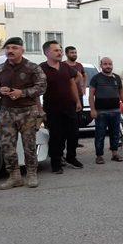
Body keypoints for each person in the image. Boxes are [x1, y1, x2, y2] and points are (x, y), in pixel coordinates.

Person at [0, 37, 47, 189]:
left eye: (14, 48)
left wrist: (22, 93)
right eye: (7, 48)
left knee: (29, 144)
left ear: (22, 50)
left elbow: (41, 87)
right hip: (7, 112)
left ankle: (31, 173)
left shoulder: (32, 68)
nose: (10, 51)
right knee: (7, 145)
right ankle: (14, 176)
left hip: (28, 111)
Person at [40, 40, 83, 174]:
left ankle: (71, 157)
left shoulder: (65, 67)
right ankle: (56, 162)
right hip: (52, 109)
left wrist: (77, 101)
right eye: (56, 50)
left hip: (69, 107)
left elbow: (72, 83)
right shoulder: (40, 68)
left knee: (73, 135)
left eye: (60, 50)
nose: (59, 52)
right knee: (56, 137)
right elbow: (35, 90)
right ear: (47, 53)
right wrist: (39, 109)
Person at [89, 57, 123, 164]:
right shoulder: (96, 78)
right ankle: (99, 156)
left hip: (115, 111)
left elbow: (121, 92)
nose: (108, 66)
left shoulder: (117, 78)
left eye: (110, 64)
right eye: (105, 64)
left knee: (115, 134)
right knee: (100, 134)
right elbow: (91, 95)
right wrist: (92, 110)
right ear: (101, 65)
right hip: (101, 112)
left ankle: (114, 154)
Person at [64, 46, 86, 148]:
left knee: (77, 120)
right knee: (68, 121)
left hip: (79, 96)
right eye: (72, 53)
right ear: (67, 54)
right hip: (67, 97)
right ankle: (66, 142)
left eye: (75, 52)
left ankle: (75, 141)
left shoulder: (79, 65)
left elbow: (84, 75)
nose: (74, 54)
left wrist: (83, 87)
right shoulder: (63, 65)